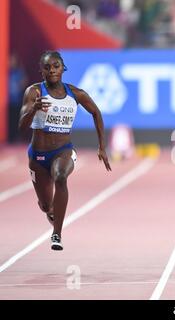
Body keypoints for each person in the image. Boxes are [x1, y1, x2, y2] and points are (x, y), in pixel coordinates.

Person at [18, 51, 112, 251]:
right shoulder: (34, 92)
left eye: (56, 66)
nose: (52, 70)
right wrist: (33, 109)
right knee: (45, 206)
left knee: (60, 176)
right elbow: (21, 126)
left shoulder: (75, 94)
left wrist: (102, 146)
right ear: (41, 71)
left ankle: (56, 234)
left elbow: (96, 112)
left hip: (63, 151)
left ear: (63, 68)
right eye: (47, 67)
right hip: (37, 156)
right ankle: (50, 211)